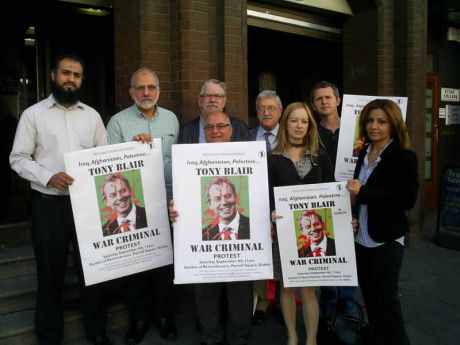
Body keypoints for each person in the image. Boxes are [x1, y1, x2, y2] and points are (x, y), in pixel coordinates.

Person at [9, 54, 111, 345]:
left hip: (86, 206)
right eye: (66, 73)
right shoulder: (34, 115)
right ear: (54, 75)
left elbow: (103, 157)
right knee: (50, 276)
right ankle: (50, 338)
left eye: (77, 75)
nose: (71, 79)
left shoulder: (91, 116)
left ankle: (97, 333)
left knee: (93, 273)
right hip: (49, 205)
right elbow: (17, 158)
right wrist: (47, 176)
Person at [106, 67, 179, 344]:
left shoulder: (172, 120)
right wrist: (133, 151)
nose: (146, 93)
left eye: (151, 87)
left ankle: (164, 317)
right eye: (140, 88)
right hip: (131, 206)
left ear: (158, 90)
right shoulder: (117, 123)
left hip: (166, 204)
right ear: (131, 92)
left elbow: (178, 162)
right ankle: (138, 319)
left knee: (164, 266)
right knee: (135, 266)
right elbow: (110, 166)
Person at [170, 111, 254, 345]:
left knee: (240, 292)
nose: (215, 130)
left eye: (221, 126)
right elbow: (182, 196)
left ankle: (239, 337)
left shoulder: (248, 157)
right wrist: (175, 209)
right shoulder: (189, 159)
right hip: (202, 236)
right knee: (206, 291)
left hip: (243, 240)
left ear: (231, 129)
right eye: (210, 127)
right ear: (204, 132)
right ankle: (211, 337)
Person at [347, 99, 418, 345]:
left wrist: (364, 192)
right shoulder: (364, 153)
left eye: (381, 121)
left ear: (393, 124)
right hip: (362, 238)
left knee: (387, 301)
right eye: (369, 120)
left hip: (386, 239)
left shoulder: (403, 156)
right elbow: (358, 196)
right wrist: (353, 215)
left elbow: (406, 200)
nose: (374, 126)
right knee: (370, 297)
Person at [268, 102, 334, 345]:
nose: (299, 126)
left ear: (310, 125)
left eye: (304, 121)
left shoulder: (319, 157)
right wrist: (271, 213)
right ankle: (292, 335)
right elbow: (267, 193)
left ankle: (312, 339)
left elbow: (331, 192)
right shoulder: (273, 158)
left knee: (307, 288)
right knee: (286, 288)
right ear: (285, 124)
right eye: (294, 120)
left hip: (311, 234)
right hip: (284, 231)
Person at [309, 81, 358, 326]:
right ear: (314, 105)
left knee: (349, 253)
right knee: (326, 251)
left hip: (352, 199)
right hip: (322, 200)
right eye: (319, 99)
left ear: (338, 100)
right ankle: (328, 305)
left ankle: (348, 305)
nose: (324, 102)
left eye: (328, 97)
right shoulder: (312, 132)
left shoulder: (355, 131)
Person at [249, 90, 283, 325]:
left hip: (283, 204)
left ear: (280, 112)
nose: (266, 112)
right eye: (262, 107)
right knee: (259, 253)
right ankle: (261, 301)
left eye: (271, 107)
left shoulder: (292, 136)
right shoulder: (247, 135)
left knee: (282, 253)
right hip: (256, 203)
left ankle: (283, 301)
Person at [179, 79, 250, 143]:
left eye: (217, 96)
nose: (212, 100)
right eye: (208, 95)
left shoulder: (239, 127)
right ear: (200, 101)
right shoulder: (186, 130)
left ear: (224, 102)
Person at [202, 176, 250, 240]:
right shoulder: (204, 235)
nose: (224, 202)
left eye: (228, 196)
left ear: (236, 197)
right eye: (217, 199)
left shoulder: (252, 225)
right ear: (210, 204)